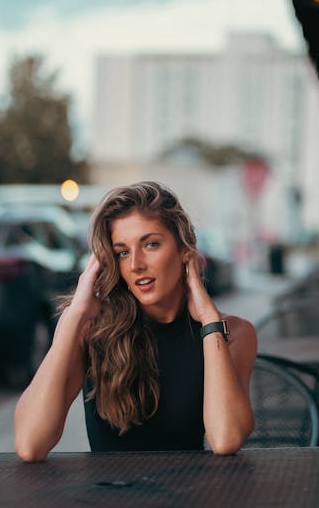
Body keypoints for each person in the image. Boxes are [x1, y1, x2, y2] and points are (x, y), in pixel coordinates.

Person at [14, 181, 257, 461]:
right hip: (109, 496)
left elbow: (226, 439)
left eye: (151, 244)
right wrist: (75, 315)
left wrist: (209, 320)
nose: (135, 265)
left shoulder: (234, 332)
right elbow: (30, 444)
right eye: (122, 252)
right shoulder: (93, 331)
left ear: (185, 252)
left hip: (191, 494)